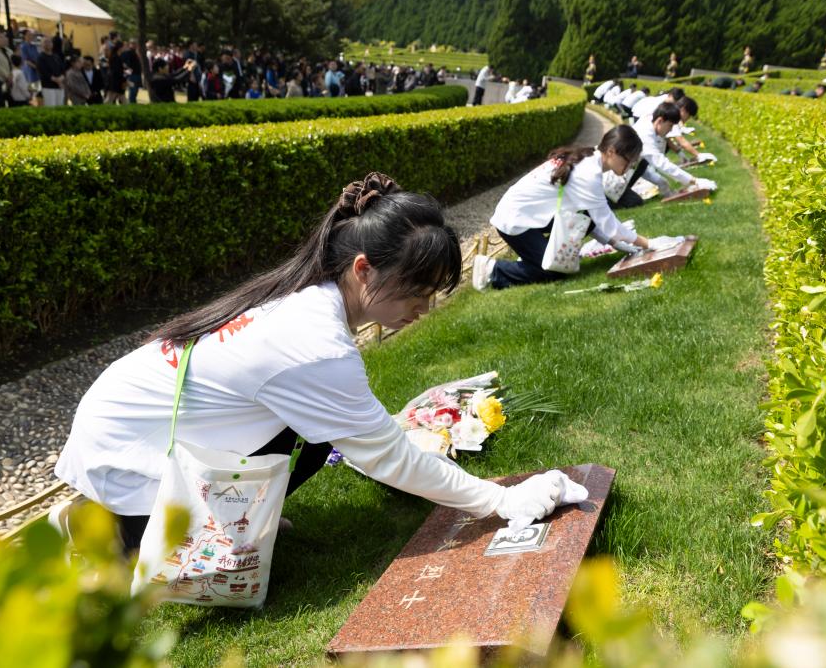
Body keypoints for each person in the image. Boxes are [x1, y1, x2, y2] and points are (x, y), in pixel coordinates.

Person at [52, 172, 588, 555]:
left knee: (315, 439)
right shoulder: (314, 345)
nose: (423, 311)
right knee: (313, 444)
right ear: (363, 270)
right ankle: (112, 528)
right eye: (416, 294)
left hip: (129, 413)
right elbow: (389, 458)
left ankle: (220, 517)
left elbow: (359, 438)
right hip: (125, 449)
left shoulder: (308, 296)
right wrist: (500, 500)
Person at [472, 127, 665, 291]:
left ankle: (533, 255)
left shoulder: (590, 158)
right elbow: (608, 223)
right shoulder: (589, 173)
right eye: (628, 160)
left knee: (568, 247)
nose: (630, 166)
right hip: (515, 220)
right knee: (554, 271)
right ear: (611, 151)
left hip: (530, 214)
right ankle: (493, 269)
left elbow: (589, 218)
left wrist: (615, 243)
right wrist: (648, 243)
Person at [632, 102, 713, 200]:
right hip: (622, 175)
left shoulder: (650, 122)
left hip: (633, 168)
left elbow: (646, 166)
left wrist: (663, 184)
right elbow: (661, 163)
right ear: (660, 121)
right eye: (670, 126)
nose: (670, 130)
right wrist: (694, 180)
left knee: (660, 182)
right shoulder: (645, 135)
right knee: (634, 201)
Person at [37, 36, 65, 106]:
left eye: (49, 42)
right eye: (45, 42)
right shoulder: (40, 57)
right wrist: (57, 81)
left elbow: (63, 70)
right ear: (41, 45)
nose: (48, 44)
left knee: (60, 106)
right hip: (48, 87)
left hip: (60, 86)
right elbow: (44, 73)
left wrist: (61, 79)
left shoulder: (56, 56)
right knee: (51, 107)